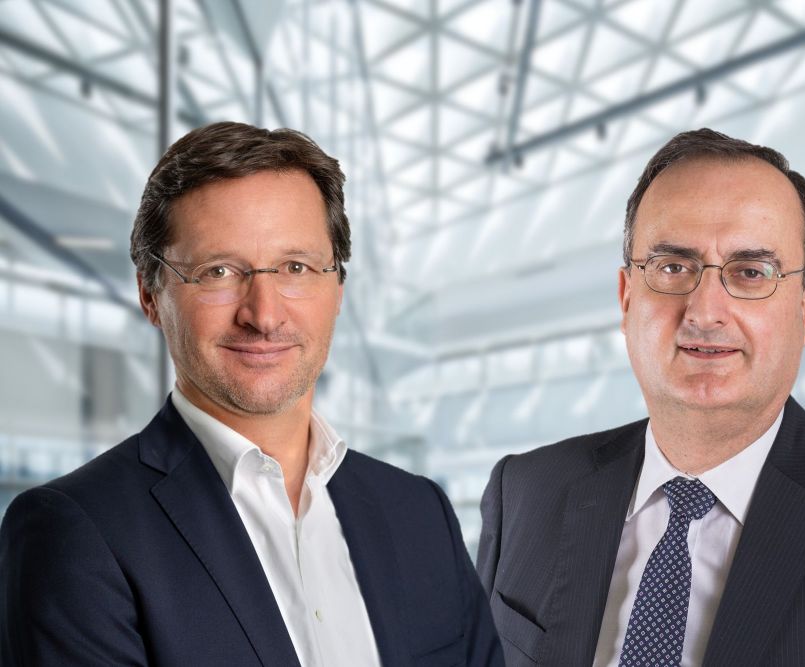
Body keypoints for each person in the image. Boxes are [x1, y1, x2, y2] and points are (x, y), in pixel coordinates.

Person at [476, 128, 805, 666]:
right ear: (627, 297)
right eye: (672, 267)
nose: (705, 312)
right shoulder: (525, 493)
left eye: (751, 273)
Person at [0, 121, 502, 666]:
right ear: (150, 294)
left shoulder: (420, 512)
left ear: (338, 288)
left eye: (295, 267)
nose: (263, 315)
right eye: (218, 271)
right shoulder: (74, 534)